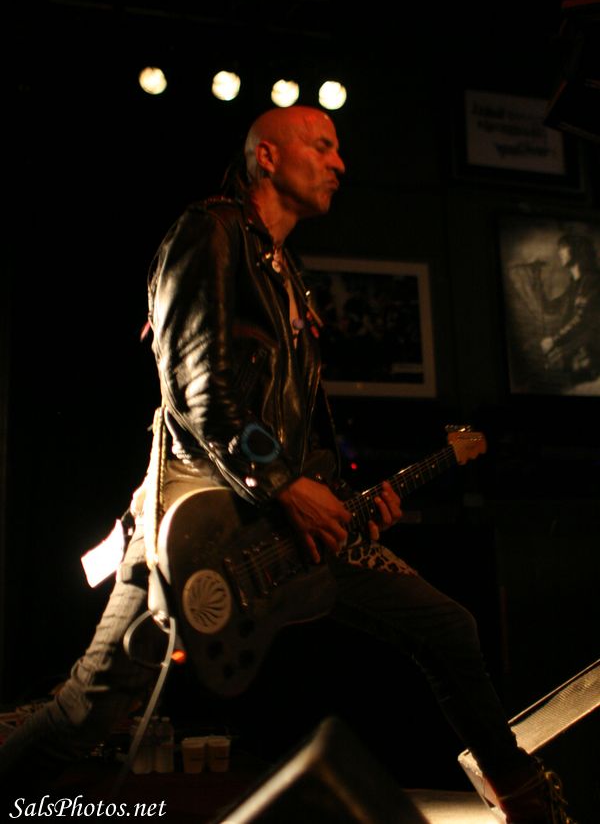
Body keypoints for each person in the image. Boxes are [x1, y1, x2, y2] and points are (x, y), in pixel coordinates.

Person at [0, 107, 571, 823]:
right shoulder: (208, 234)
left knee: (446, 627)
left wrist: (342, 500)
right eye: (322, 146)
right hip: (200, 518)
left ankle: (523, 795)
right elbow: (198, 389)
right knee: (88, 708)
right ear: (267, 157)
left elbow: (286, 428)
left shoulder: (284, 273)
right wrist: (284, 486)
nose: (340, 163)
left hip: (276, 520)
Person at [538, 232, 600, 387]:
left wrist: (554, 340)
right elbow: (551, 308)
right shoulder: (574, 285)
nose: (559, 252)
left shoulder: (591, 282)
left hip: (589, 355)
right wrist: (535, 282)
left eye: (564, 247)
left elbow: (582, 320)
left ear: (577, 250)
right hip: (578, 352)